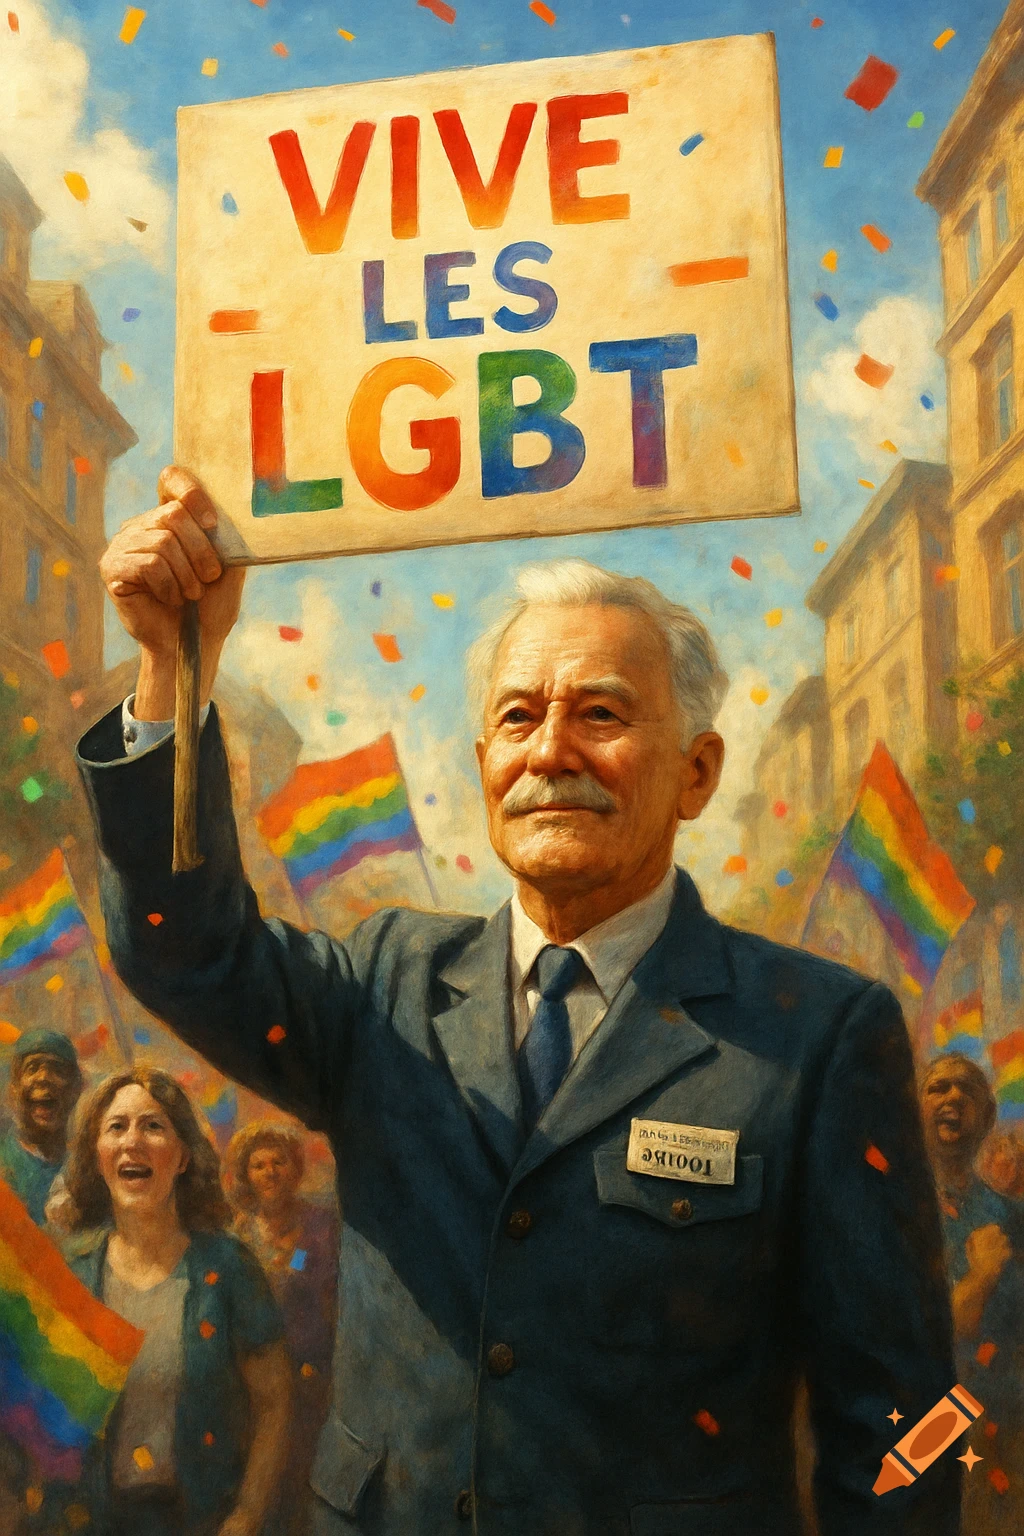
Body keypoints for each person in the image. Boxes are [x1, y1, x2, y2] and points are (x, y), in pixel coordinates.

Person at [75, 467, 958, 1536]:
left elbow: (913, 1412)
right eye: (519, 717)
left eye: (601, 713)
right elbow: (182, 951)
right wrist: (175, 662)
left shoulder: (818, 1034)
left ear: (695, 771)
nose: (552, 751)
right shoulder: (382, 987)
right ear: (485, 762)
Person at [60, 1067, 292, 1536]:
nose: (132, 1142)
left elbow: (274, 1403)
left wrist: (246, 1515)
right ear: (97, 1154)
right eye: (116, 1127)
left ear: (183, 1156)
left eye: (153, 1126)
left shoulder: (228, 1267)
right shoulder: (72, 1273)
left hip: (202, 1520)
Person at [919, 1053, 1024, 1527]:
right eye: (938, 1088)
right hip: (922, 1433)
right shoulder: (890, 1215)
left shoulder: (1013, 1218)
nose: (954, 1097)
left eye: (968, 1090)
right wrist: (980, 1278)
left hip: (1007, 1434)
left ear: (987, 1116)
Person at [227, 1123, 339, 1535]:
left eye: (279, 1162)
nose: (269, 1172)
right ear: (246, 1174)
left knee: (301, 1493)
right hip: (252, 1386)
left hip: (310, 1380)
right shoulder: (236, 1233)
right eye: (258, 1165)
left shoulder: (322, 1227)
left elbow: (334, 1305)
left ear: (295, 1170)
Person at [0, 1030, 82, 1225]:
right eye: (32, 1068)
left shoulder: (86, 1170)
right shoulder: (3, 1164)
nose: (44, 1077)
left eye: (58, 1069)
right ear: (14, 1089)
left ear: (75, 1089)